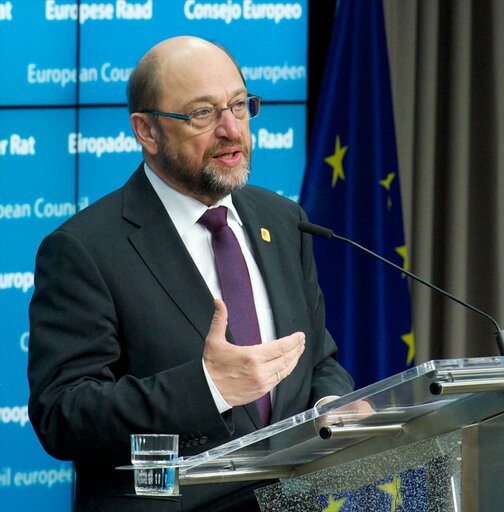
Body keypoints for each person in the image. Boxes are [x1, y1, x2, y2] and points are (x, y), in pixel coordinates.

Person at [27, 36, 354, 511]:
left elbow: (317, 359)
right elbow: (63, 413)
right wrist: (208, 389)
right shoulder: (84, 249)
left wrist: (331, 409)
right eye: (203, 113)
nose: (230, 129)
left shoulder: (283, 221)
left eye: (239, 106)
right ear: (147, 131)